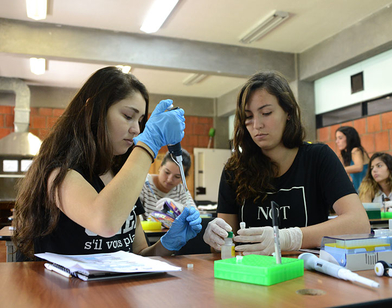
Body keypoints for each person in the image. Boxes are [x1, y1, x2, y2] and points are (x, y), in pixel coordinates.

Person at [13, 66, 202, 260]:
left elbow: (137, 254)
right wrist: (149, 145)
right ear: (94, 110)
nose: (136, 129)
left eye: (141, 120)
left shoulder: (120, 173)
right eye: (128, 116)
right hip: (64, 289)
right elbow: (104, 222)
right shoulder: (58, 173)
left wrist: (168, 244)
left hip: (114, 290)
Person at [203, 71, 370, 255]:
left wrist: (289, 238)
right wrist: (216, 237)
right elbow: (225, 244)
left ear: (288, 112)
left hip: (309, 273)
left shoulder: (318, 158)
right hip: (252, 276)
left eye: (266, 113)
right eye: (248, 116)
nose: (257, 124)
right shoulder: (234, 170)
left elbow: (359, 224)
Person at [139, 149, 197, 220]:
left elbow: (195, 214)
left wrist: (177, 206)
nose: (169, 179)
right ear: (160, 167)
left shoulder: (180, 189)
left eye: (177, 176)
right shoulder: (144, 184)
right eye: (167, 172)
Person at [335, 126, 370, 192]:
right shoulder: (344, 155)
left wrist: (338, 170)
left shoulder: (356, 150)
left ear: (349, 138)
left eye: (340, 138)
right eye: (336, 138)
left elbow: (359, 167)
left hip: (366, 190)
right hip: (359, 189)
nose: (337, 141)